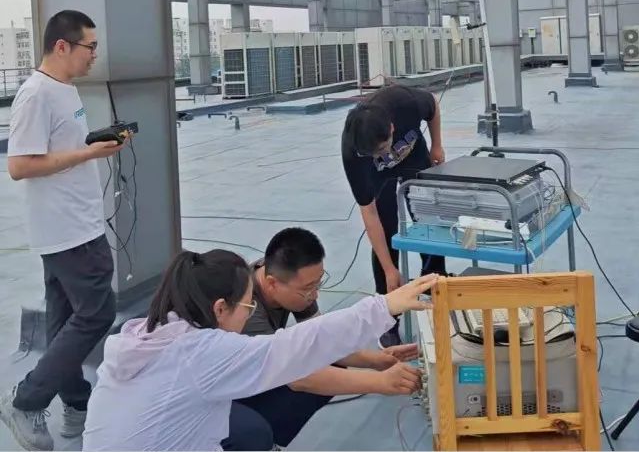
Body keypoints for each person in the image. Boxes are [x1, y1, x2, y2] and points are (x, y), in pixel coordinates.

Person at [81, 249, 435, 451]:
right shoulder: (199, 353)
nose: (250, 313)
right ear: (220, 308)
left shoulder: (151, 332)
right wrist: (383, 306)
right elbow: (297, 348)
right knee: (257, 426)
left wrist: (373, 359)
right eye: (248, 306)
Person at [0, 10, 125, 451]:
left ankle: (76, 402)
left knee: (63, 320)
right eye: (90, 47)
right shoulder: (36, 94)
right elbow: (20, 165)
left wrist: (95, 144)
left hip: (73, 223)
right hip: (69, 230)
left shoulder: (65, 90)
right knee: (97, 313)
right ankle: (26, 400)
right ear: (61, 46)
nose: (94, 55)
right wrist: (89, 155)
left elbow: (62, 148)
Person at [236, 227, 421, 448]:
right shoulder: (246, 313)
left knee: (330, 360)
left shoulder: (285, 277)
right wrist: (381, 382)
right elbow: (297, 377)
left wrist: (377, 360)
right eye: (308, 288)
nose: (314, 294)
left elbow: (323, 341)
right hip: (228, 394)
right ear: (272, 283)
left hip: (264, 366)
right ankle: (265, 438)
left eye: (318, 283)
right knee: (261, 424)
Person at [341, 84, 448, 347]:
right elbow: (369, 213)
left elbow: (433, 106)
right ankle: (388, 316)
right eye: (374, 154)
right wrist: (390, 269)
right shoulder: (354, 152)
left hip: (414, 157)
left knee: (428, 223)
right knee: (387, 232)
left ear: (391, 128)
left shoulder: (405, 103)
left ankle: (434, 284)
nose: (382, 155)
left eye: (382, 149)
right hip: (379, 178)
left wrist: (437, 145)